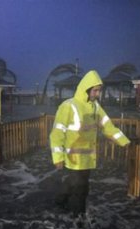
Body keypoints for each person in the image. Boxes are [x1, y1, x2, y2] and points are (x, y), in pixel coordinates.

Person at [49, 70, 130, 216]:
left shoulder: (95, 107)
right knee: (81, 190)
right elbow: (57, 133)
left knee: (74, 184)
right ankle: (79, 222)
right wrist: (58, 157)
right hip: (73, 159)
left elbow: (108, 126)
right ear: (86, 89)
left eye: (99, 91)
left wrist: (125, 142)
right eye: (95, 91)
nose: (97, 94)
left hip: (87, 159)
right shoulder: (68, 106)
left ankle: (58, 202)